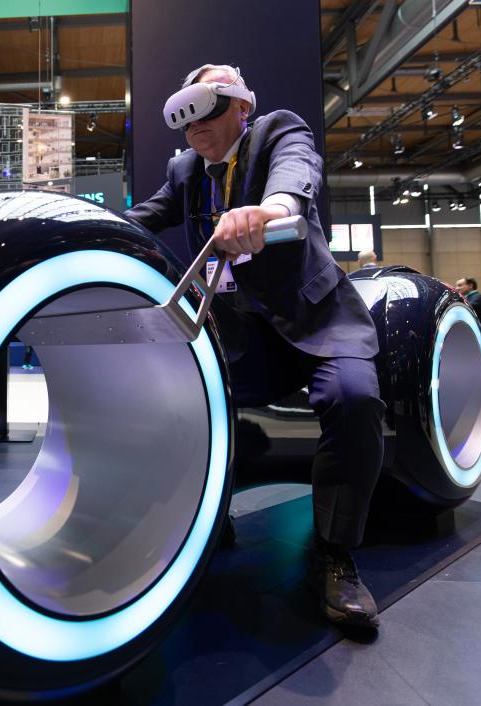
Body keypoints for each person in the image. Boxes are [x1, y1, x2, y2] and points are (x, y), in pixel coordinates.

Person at [126, 64, 385, 630]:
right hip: (242, 336)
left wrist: (271, 211)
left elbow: (295, 174)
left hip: (316, 321)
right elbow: (141, 218)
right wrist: (75, 225)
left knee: (354, 398)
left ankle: (335, 553)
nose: (196, 124)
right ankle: (208, 513)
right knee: (175, 398)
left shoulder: (276, 132)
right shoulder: (185, 169)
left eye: (210, 107)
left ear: (242, 106)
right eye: (187, 115)